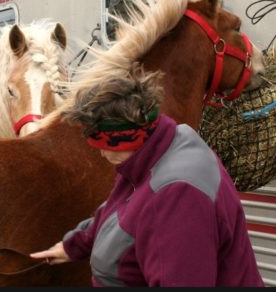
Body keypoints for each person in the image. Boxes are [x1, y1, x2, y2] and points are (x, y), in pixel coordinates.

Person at [30, 65, 264, 287]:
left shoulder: (177, 196)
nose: (101, 154)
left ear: (125, 138)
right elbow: (121, 209)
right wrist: (75, 245)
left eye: (103, 145)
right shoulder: (161, 147)